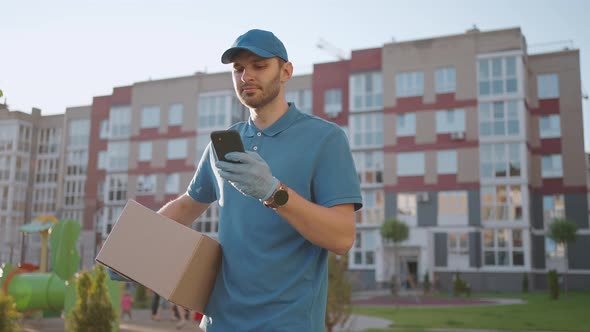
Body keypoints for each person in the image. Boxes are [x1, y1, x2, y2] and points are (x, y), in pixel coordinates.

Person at [158, 29, 362, 331]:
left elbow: (342, 238)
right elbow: (188, 205)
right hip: (220, 323)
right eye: (238, 69)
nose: (246, 76)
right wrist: (129, 247)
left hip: (288, 324)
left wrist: (274, 192)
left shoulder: (325, 139)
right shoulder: (224, 144)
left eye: (259, 65)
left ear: (286, 71)